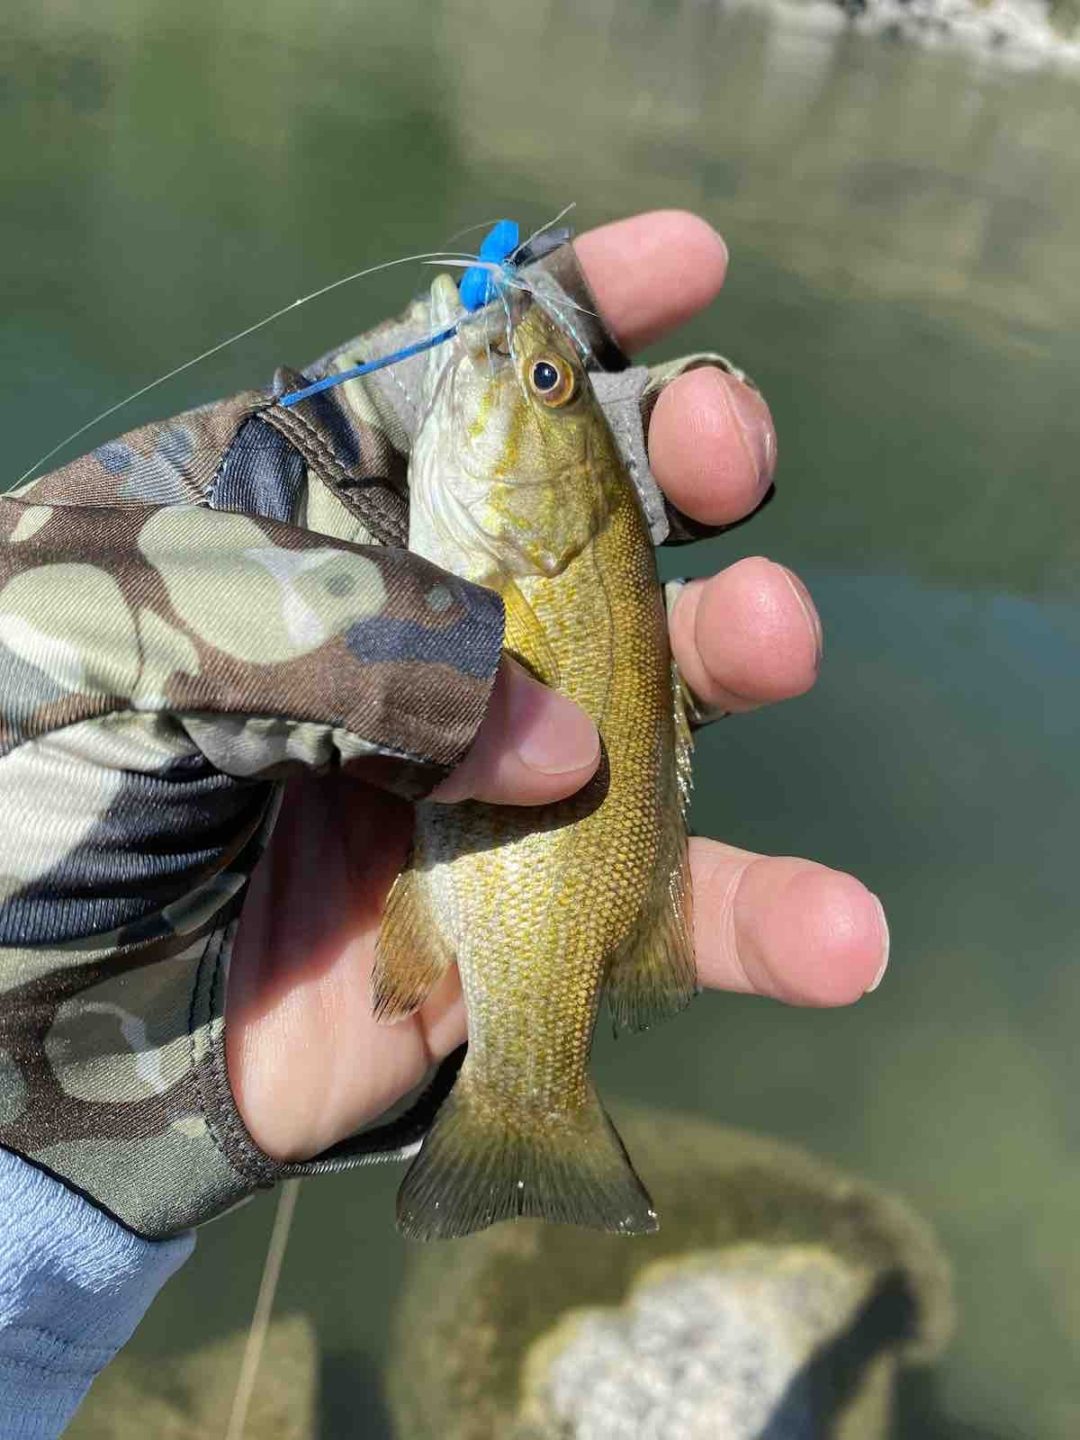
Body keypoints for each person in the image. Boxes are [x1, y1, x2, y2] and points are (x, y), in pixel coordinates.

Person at [0, 210, 888, 1434]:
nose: (518, 355)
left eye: (544, 380)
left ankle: (527, 1093)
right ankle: (527, 1097)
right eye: (544, 373)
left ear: (569, 490)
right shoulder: (521, 527)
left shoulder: (537, 544)